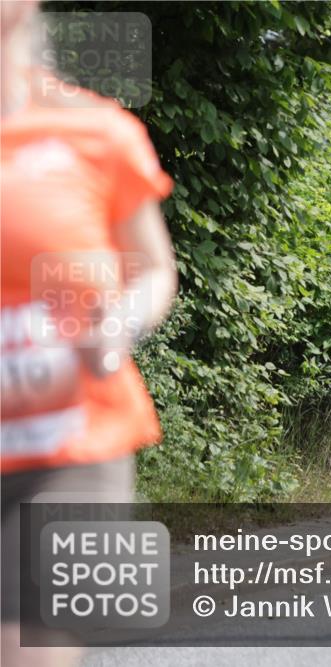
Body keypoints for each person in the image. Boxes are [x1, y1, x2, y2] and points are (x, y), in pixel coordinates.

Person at [1, 3, 177, 666]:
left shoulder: (97, 132)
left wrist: (119, 322)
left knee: (24, 646)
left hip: (69, 443)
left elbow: (155, 268)